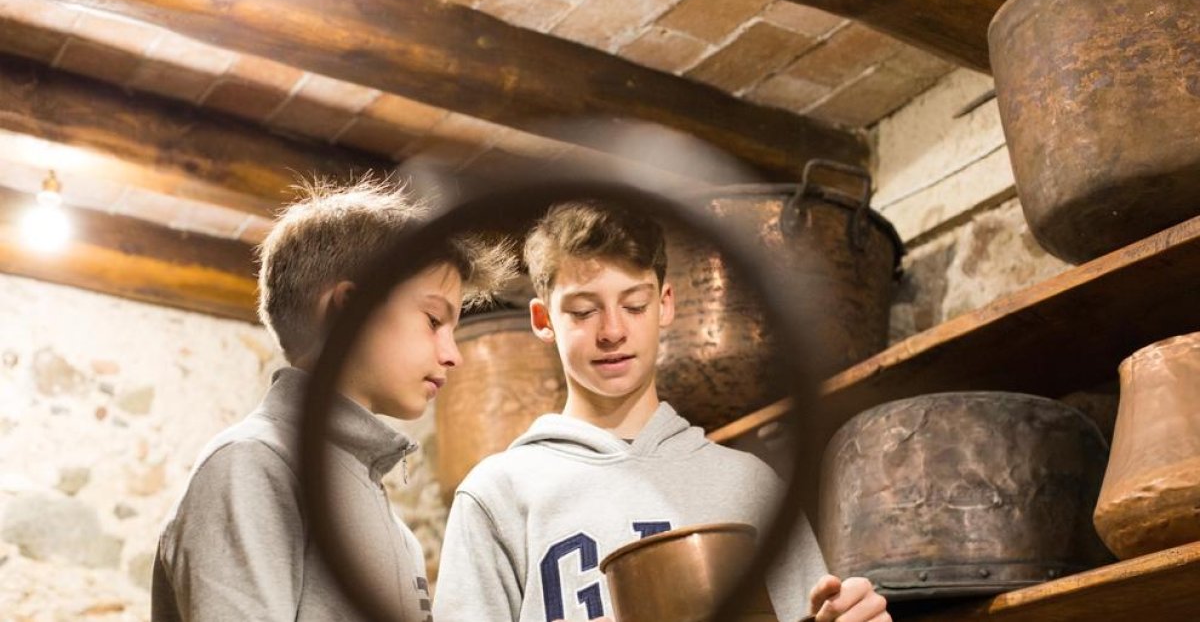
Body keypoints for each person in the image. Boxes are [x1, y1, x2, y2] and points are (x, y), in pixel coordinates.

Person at [434, 201, 890, 622]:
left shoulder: (749, 486)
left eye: (634, 305)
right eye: (583, 311)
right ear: (543, 320)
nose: (612, 331)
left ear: (665, 304)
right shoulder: (497, 496)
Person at [151, 178, 513, 621]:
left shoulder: (393, 526)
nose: (452, 354)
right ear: (348, 311)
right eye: (434, 320)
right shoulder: (253, 465)